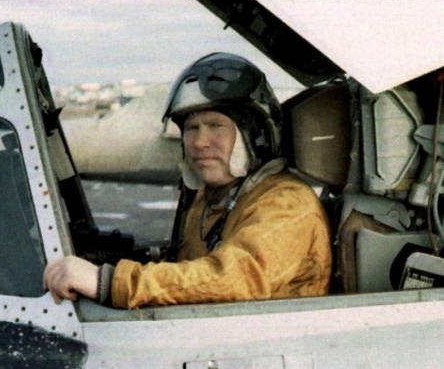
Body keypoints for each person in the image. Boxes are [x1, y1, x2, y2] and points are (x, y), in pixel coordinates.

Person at [43, 52, 332, 309]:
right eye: (192, 128)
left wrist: (109, 282)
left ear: (254, 134)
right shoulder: (214, 198)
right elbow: (188, 271)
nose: (199, 142)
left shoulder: (288, 205)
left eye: (216, 126)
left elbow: (232, 279)